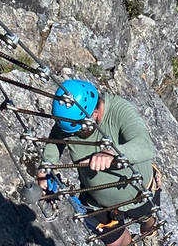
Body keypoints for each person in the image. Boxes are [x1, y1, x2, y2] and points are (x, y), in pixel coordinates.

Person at [36, 79, 161, 245]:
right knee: (115, 243)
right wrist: (45, 169)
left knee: (147, 219)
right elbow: (55, 140)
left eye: (80, 130)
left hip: (139, 193)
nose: (75, 134)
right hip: (97, 203)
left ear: (94, 113)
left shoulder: (119, 110)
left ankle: (149, 230)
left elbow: (146, 146)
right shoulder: (72, 121)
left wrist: (111, 153)